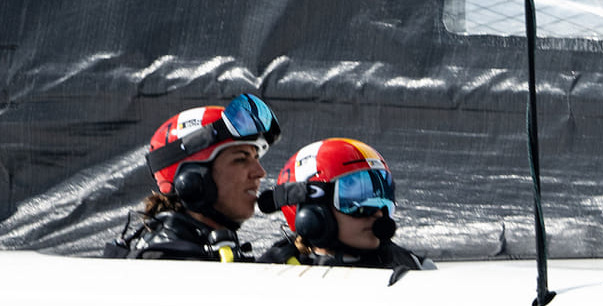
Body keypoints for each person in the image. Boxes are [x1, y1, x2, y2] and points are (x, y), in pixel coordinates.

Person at [118, 94, 280, 260]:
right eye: (241, 159)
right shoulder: (164, 260)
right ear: (192, 179)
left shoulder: (196, 250)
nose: (260, 172)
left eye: (256, 158)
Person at [264, 137, 423, 271]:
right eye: (358, 199)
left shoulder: (412, 267)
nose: (378, 213)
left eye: (383, 198)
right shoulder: (268, 274)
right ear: (312, 211)